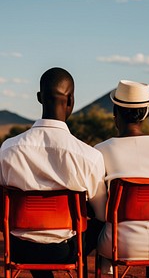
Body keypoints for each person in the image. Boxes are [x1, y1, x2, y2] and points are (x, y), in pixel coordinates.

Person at [0, 67, 107, 278]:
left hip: (20, 248)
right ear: (71, 101)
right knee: (96, 218)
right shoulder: (89, 156)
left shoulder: (7, 149)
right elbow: (103, 213)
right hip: (66, 251)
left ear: (40, 98)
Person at [95, 80, 149, 278]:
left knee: (100, 223)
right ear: (147, 114)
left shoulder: (101, 150)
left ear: (115, 112)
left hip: (120, 245)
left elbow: (101, 212)